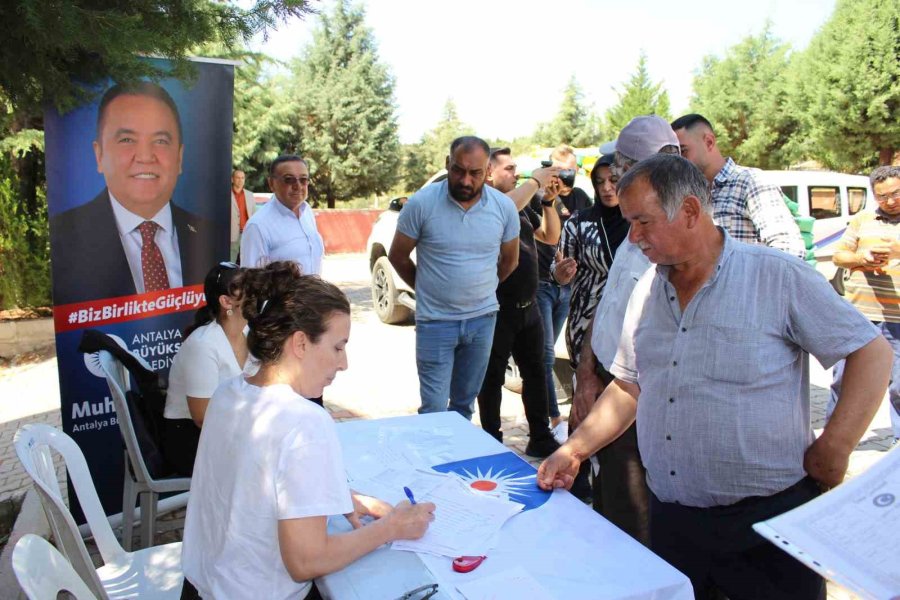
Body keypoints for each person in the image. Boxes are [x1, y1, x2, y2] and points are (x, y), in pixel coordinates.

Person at [538, 154, 891, 600]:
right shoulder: (646, 288)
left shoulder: (776, 277)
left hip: (768, 528)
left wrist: (835, 447)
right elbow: (629, 387)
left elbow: (871, 352)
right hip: (674, 521)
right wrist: (574, 450)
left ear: (689, 210)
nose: (634, 236)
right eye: (629, 223)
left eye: (642, 221)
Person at [182, 261, 435, 600]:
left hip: (198, 589)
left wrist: (335, 496)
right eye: (337, 347)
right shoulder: (305, 422)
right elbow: (306, 561)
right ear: (300, 343)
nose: (343, 363)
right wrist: (393, 527)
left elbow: (249, 482)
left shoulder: (228, 393)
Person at [568, 115, 681, 529]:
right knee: (606, 503)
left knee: (631, 517)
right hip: (603, 381)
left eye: (622, 163)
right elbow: (607, 304)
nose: (614, 175)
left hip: (632, 400)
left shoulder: (673, 242)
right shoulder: (635, 231)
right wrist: (585, 375)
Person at [388, 136, 520, 419]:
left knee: (463, 407)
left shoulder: (504, 208)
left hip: (482, 321)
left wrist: (482, 287)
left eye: (475, 173)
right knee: (434, 410)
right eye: (458, 170)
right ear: (448, 163)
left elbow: (510, 261)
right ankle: (432, 451)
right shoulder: (421, 204)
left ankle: (456, 449)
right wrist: (427, 289)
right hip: (435, 322)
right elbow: (397, 256)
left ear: (487, 171)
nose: (465, 180)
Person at [50, 81, 213, 305]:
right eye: (127, 140)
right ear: (99, 155)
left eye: (160, 141)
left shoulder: (210, 236)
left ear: (179, 157)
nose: (145, 156)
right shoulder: (64, 238)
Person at [476, 147, 561, 457]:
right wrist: (535, 182)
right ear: (489, 173)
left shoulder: (521, 205)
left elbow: (549, 237)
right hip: (498, 309)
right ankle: (491, 441)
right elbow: (506, 209)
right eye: (509, 169)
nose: (516, 173)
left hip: (529, 306)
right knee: (492, 379)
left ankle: (540, 436)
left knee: (536, 374)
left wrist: (548, 202)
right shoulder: (487, 204)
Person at [671, 113, 805, 259]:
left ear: (709, 142)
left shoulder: (750, 182)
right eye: (675, 155)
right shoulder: (686, 196)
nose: (678, 161)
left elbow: (789, 250)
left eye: (683, 151)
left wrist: (746, 273)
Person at [831, 165, 900, 443]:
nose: (890, 201)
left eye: (895, 193)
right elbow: (838, 256)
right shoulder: (862, 220)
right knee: (844, 380)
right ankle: (833, 440)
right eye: (882, 196)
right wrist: (862, 258)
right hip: (859, 315)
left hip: (897, 319)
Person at [162, 261, 250, 476]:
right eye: (249, 289)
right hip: (191, 441)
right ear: (226, 302)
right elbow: (202, 418)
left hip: (228, 432)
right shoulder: (203, 344)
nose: (257, 294)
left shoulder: (249, 333)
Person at [553, 154, 628, 373]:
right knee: (587, 384)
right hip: (586, 324)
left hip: (630, 323)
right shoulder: (580, 222)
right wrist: (559, 275)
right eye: (599, 181)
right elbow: (558, 265)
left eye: (613, 180)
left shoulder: (641, 222)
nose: (606, 188)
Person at [532, 144, 589, 425]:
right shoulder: (536, 197)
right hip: (542, 283)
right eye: (562, 170)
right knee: (545, 354)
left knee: (553, 351)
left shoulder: (581, 197)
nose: (568, 176)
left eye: (572, 170)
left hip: (569, 286)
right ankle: (553, 419)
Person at [241, 155, 325, 273]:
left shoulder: (307, 213)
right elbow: (250, 279)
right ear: (271, 183)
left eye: (303, 179)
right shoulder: (257, 227)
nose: (298, 186)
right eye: (289, 179)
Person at [230, 169, 256, 261]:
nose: (240, 180)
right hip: (232, 233)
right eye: (238, 178)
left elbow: (254, 215)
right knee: (231, 259)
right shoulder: (226, 194)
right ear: (232, 179)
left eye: (242, 178)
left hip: (247, 232)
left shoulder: (249, 195)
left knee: (247, 258)